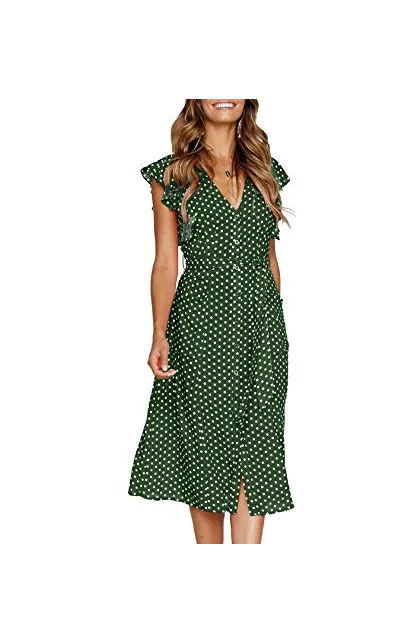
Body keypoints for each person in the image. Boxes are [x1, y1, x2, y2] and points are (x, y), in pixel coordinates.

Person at [128, 96, 295, 544]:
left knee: (258, 447)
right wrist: (159, 333)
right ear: (196, 98)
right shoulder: (173, 175)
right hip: (201, 327)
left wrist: (273, 324)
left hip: (262, 330)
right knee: (208, 449)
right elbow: (166, 262)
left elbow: (270, 261)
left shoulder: (265, 171)